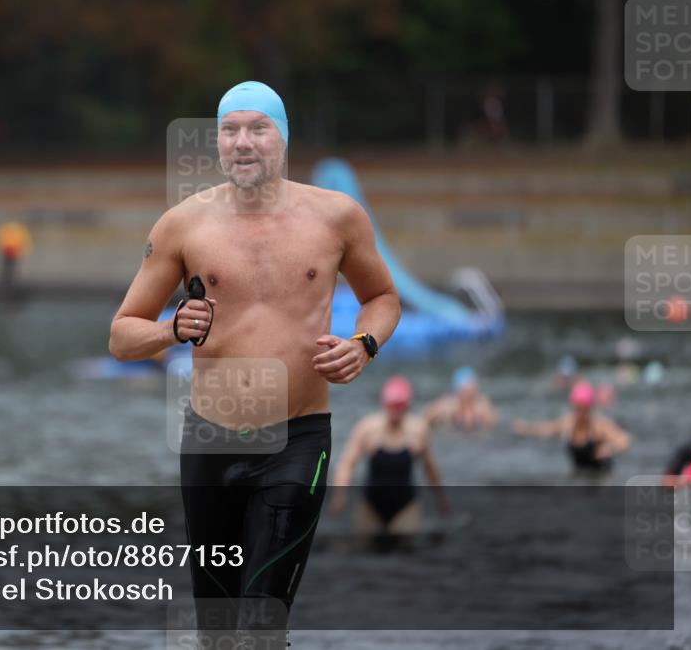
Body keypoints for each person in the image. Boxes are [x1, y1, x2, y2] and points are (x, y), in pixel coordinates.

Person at [108, 81, 401, 646]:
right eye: (230, 129)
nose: (243, 142)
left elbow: (384, 297)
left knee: (262, 626)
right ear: (217, 142)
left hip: (298, 438)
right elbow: (121, 336)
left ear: (282, 137)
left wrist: (363, 344)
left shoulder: (337, 217)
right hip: (209, 445)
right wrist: (171, 329)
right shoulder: (182, 224)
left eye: (258, 128)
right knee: (218, 634)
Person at [329, 377, 448, 538]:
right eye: (392, 405)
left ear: (408, 406)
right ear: (384, 403)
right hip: (371, 505)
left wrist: (440, 497)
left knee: (405, 550)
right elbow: (347, 464)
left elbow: (430, 468)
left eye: (400, 406)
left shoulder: (418, 431)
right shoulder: (368, 429)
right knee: (365, 552)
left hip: (405, 505)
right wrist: (340, 495)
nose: (395, 410)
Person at [513, 380, 631, 473]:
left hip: (601, 474)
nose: (579, 414)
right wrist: (526, 429)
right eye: (576, 409)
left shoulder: (599, 425)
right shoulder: (568, 423)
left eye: (583, 410)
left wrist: (610, 448)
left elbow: (625, 440)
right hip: (579, 473)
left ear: (590, 408)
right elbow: (546, 429)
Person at [423, 366, 498, 433]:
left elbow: (493, 426)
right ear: (458, 391)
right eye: (466, 390)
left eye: (473, 389)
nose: (470, 392)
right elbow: (425, 419)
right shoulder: (447, 405)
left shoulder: (482, 407)